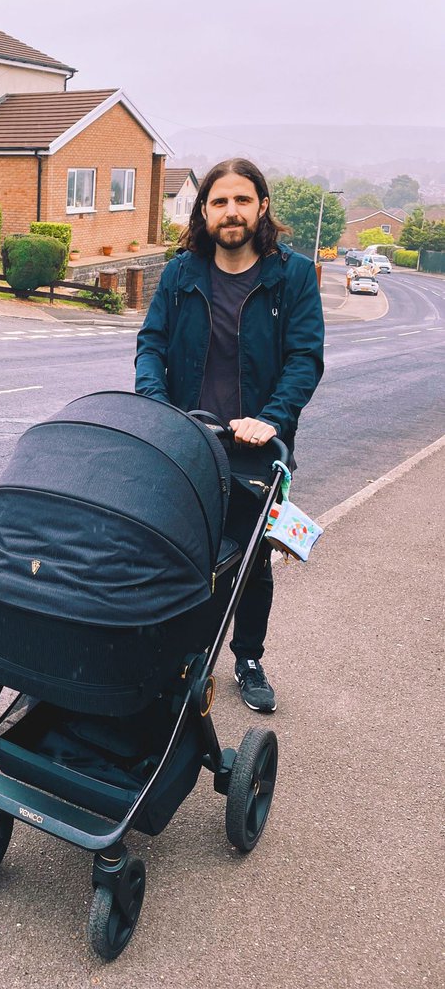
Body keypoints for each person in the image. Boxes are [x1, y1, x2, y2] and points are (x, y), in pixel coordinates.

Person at [135, 157, 324, 712]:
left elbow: (305, 359)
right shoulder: (180, 273)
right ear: (204, 210)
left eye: (242, 200)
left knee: (252, 561)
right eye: (219, 201)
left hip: (256, 448)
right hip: (187, 443)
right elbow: (151, 345)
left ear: (262, 206)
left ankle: (246, 657)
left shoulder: (291, 276)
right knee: (180, 550)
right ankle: (184, 653)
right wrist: (156, 408)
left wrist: (272, 417)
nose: (231, 211)